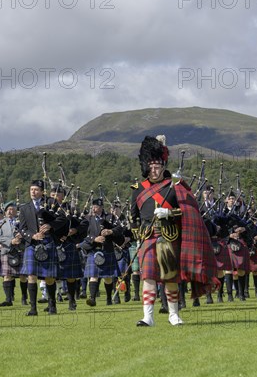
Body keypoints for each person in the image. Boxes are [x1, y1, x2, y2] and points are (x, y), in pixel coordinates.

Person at [130, 135, 218, 327]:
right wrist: (137, 235)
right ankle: (148, 317)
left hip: (169, 236)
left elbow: (190, 210)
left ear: (163, 166)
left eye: (158, 166)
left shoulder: (175, 185)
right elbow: (133, 217)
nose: (154, 170)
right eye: (151, 167)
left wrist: (169, 212)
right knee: (149, 276)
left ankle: (173, 314)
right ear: (146, 166)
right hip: (148, 237)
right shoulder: (137, 189)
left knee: (170, 277)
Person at [18, 180, 67, 316]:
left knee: (49, 277)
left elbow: (63, 218)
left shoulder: (51, 203)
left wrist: (51, 225)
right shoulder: (24, 208)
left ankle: (52, 305)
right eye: (31, 189)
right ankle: (33, 308)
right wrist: (32, 236)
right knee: (31, 276)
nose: (33, 192)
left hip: (48, 241)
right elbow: (22, 229)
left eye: (36, 189)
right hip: (32, 244)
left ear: (42, 192)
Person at [81, 198, 124, 306]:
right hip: (93, 250)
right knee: (93, 275)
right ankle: (92, 298)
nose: (95, 209)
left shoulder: (110, 217)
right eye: (93, 207)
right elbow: (83, 234)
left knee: (108, 277)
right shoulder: (88, 219)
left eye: (97, 207)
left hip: (107, 249)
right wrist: (93, 239)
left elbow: (120, 228)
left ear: (101, 208)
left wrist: (111, 231)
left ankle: (109, 298)